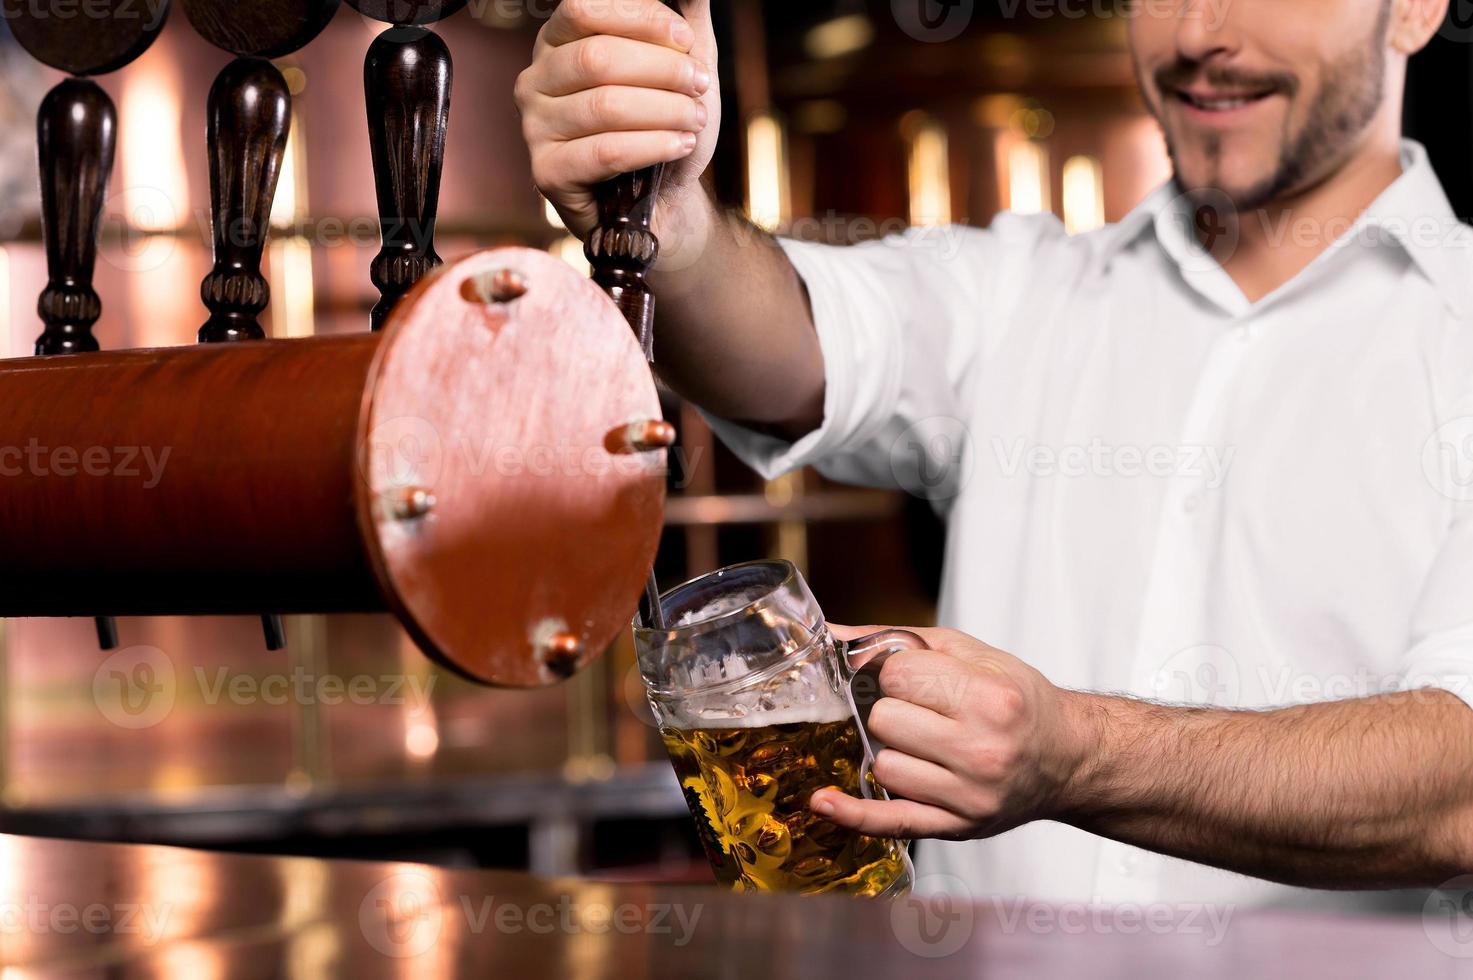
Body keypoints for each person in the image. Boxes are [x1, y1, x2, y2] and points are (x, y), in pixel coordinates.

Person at [516, 0, 1473, 908]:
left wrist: (1077, 753)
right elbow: (789, 347)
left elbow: (1458, 793)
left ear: (1418, 9)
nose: (1196, 34)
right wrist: (671, 225)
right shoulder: (1025, 291)